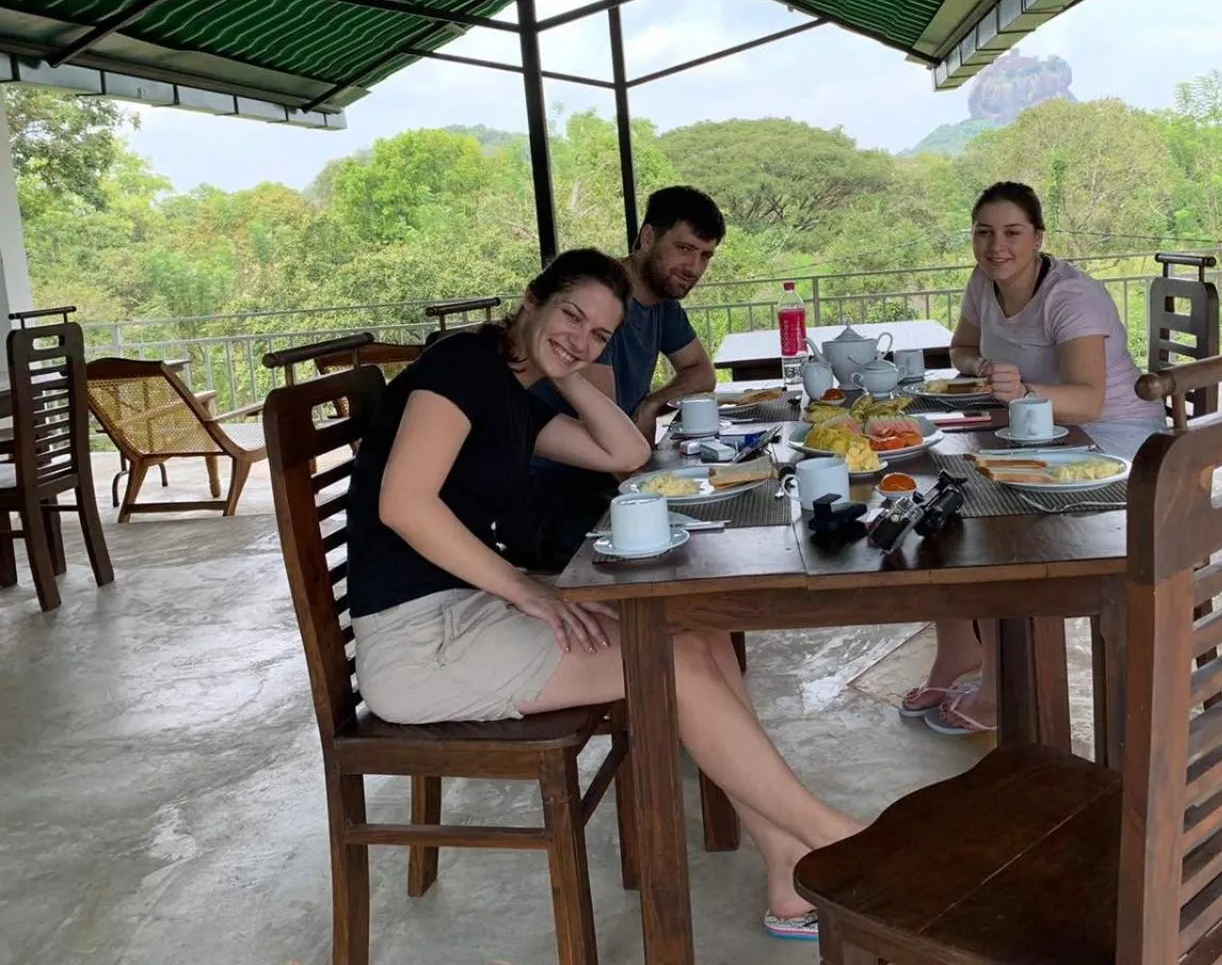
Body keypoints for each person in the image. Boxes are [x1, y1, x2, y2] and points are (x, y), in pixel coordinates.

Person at [346, 248, 855, 939]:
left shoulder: (514, 391)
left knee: (695, 629)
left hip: (464, 614)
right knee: (667, 662)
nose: (580, 338)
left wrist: (569, 367)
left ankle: (790, 868)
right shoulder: (461, 365)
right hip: (418, 647)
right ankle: (838, 843)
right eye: (570, 315)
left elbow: (626, 454)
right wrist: (527, 590)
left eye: (599, 334)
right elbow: (404, 503)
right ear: (532, 299)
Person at [905, 181, 1164, 735]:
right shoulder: (984, 281)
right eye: (984, 233)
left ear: (1038, 237)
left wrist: (1021, 390)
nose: (996, 247)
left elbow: (1089, 401)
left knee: (998, 523)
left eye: (1012, 233)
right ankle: (958, 651)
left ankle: (1003, 689)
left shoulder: (1071, 297)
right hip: (1038, 430)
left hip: (1111, 440)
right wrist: (983, 369)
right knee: (944, 494)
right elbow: (961, 349)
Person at [499, 186, 725, 573]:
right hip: (547, 492)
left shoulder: (661, 304)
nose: (693, 267)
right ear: (648, 237)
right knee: (678, 551)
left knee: (705, 530)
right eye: (684, 248)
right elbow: (608, 444)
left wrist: (651, 403)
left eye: (705, 256)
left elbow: (702, 372)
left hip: (602, 476)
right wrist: (669, 493)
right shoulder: (602, 307)